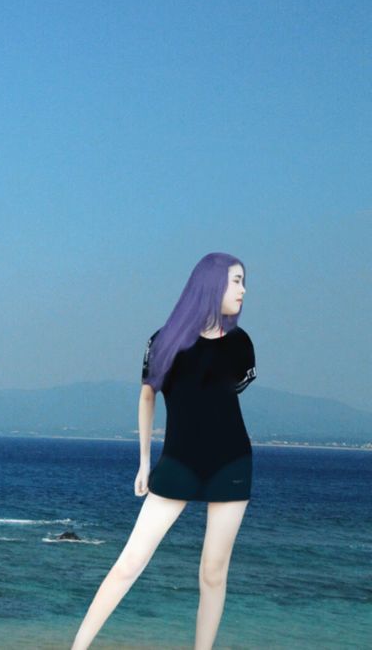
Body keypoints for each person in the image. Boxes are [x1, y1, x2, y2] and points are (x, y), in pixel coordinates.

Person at [72, 252, 257, 650]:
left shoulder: (242, 344)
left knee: (213, 572)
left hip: (232, 464)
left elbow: (225, 399)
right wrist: (143, 462)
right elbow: (146, 398)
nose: (243, 290)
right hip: (177, 463)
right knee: (130, 563)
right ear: (211, 284)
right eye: (236, 281)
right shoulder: (164, 341)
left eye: (244, 282)